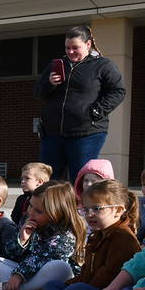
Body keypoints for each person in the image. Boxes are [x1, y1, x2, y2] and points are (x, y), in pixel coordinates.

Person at [8, 179, 141, 290]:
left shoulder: (122, 237)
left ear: (118, 211)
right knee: (53, 285)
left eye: (97, 209)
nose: (90, 214)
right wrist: (68, 286)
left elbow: (109, 275)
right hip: (92, 288)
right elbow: (86, 273)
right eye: (87, 209)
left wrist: (77, 288)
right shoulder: (98, 234)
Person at [34, 25, 126, 182]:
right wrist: (49, 83)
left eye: (75, 48)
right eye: (67, 48)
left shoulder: (102, 66)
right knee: (47, 181)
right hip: (53, 133)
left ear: (88, 45)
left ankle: (81, 207)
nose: (70, 52)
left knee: (80, 181)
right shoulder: (58, 65)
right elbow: (38, 93)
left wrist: (94, 112)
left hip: (85, 134)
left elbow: (118, 92)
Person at [0, 181, 85, 290]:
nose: (31, 212)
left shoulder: (66, 232)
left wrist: (19, 275)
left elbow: (44, 258)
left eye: (39, 211)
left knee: (61, 267)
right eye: (31, 205)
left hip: (52, 275)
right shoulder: (28, 218)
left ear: (56, 214)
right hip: (28, 272)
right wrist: (22, 240)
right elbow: (9, 254)